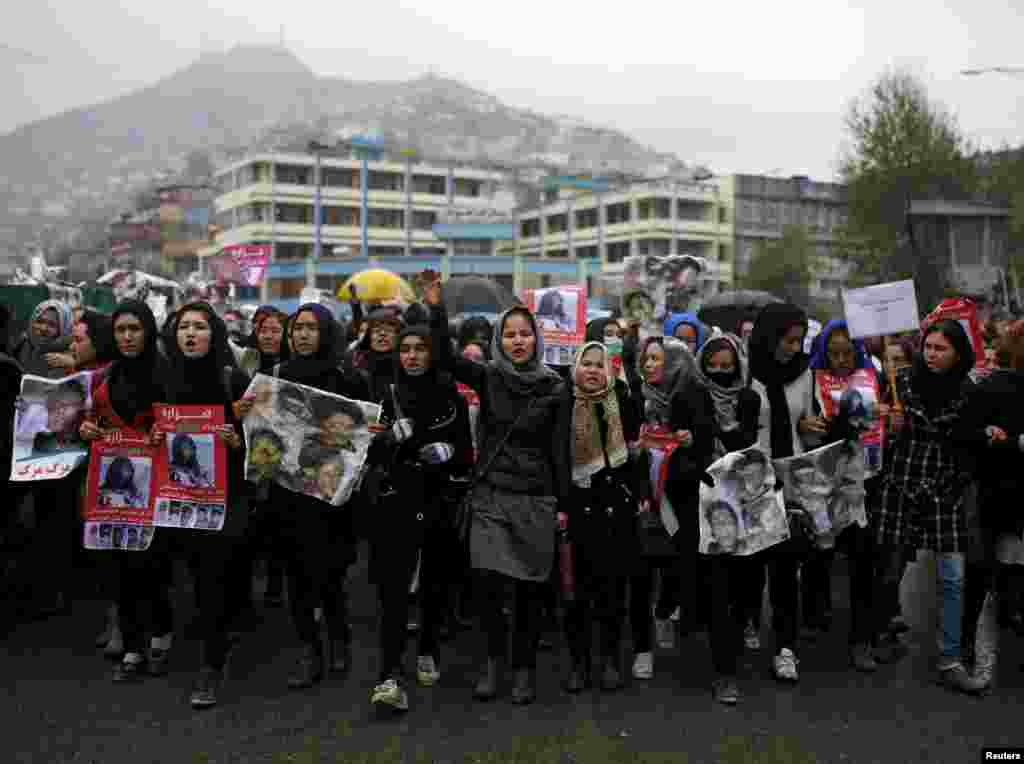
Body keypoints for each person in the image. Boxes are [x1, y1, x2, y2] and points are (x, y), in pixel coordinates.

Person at [425, 283, 572, 705]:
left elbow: (559, 450)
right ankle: (492, 664)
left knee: (528, 593)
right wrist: (435, 311)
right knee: (487, 586)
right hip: (490, 495)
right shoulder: (488, 376)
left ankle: (523, 669)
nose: (518, 341)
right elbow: (445, 358)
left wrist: (562, 506)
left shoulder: (555, 388)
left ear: (537, 339)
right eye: (509, 334)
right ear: (498, 341)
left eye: (525, 333)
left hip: (535, 497)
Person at [236, 302, 370, 689]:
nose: (302, 335)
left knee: (329, 577)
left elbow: (363, 431)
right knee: (296, 578)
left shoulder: (349, 379)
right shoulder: (276, 375)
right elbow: (261, 431)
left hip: (330, 498)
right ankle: (309, 651)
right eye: (297, 329)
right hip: (287, 495)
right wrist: (244, 412)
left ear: (326, 333)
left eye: (311, 328)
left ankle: (339, 639)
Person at [363, 312, 473, 713]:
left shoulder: (452, 396)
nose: (411, 356)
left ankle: (428, 647)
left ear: (433, 353)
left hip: (439, 500)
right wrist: (389, 440)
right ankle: (389, 674)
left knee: (435, 584)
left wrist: (446, 453)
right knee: (393, 591)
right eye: (404, 349)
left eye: (420, 349)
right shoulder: (383, 394)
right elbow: (364, 449)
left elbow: (465, 453)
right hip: (395, 499)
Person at [149, 301, 251, 708]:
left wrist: (238, 440)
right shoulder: (164, 379)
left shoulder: (234, 379)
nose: (190, 333)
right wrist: (156, 437)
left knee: (213, 578)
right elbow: (154, 431)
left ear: (216, 335)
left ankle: (212, 665)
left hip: (224, 497)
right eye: (183, 327)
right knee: (188, 573)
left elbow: (263, 444)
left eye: (200, 326)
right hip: (178, 497)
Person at [877, 319, 982, 694]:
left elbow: (972, 444)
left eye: (942, 349)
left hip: (944, 488)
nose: (932, 355)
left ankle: (950, 659)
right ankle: (882, 632)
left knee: (953, 577)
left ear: (958, 353)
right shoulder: (901, 382)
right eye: (928, 347)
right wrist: (889, 424)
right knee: (890, 567)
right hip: (901, 484)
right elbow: (875, 434)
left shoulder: (969, 391)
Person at [80, 300, 173, 684]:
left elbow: (186, 425)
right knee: (119, 568)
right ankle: (134, 643)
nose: (128, 336)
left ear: (148, 331)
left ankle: (160, 635)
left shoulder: (168, 374)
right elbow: (92, 420)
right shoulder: (106, 376)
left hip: (156, 486)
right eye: (120, 330)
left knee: (151, 566)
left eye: (134, 329)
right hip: (114, 488)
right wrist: (87, 430)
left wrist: (166, 431)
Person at [683, 332, 765, 703]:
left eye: (726, 367)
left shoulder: (749, 398)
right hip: (704, 502)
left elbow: (747, 444)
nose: (719, 373)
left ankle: (741, 629)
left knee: (744, 587)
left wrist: (726, 432)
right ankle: (724, 672)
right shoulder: (690, 396)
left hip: (744, 503)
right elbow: (682, 448)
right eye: (712, 366)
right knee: (717, 588)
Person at [560, 341, 645, 695]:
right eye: (586, 364)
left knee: (612, 592)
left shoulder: (622, 402)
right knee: (576, 594)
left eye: (599, 365)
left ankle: (610, 659)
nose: (592, 371)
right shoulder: (563, 404)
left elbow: (637, 452)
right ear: (574, 368)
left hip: (616, 509)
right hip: (577, 510)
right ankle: (579, 664)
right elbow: (554, 458)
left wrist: (637, 494)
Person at [747, 302, 820, 683]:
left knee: (785, 569)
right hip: (750, 482)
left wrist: (812, 426)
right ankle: (747, 623)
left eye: (800, 340)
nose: (796, 347)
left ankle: (785, 648)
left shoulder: (806, 374)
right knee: (750, 567)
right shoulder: (746, 373)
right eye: (789, 340)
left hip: (789, 481)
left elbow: (810, 431)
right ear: (770, 337)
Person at [629, 335, 698, 680]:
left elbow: (707, 436)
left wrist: (690, 440)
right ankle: (642, 648)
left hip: (680, 499)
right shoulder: (633, 396)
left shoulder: (690, 396)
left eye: (658, 359)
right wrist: (634, 448)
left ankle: (665, 611)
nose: (650, 365)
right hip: (641, 497)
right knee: (640, 574)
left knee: (673, 566)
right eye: (646, 359)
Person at [12, 299, 74, 379]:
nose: (44, 328)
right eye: (40, 321)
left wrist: (72, 364)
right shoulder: (22, 343)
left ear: (63, 329)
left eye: (52, 325)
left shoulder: (69, 355)